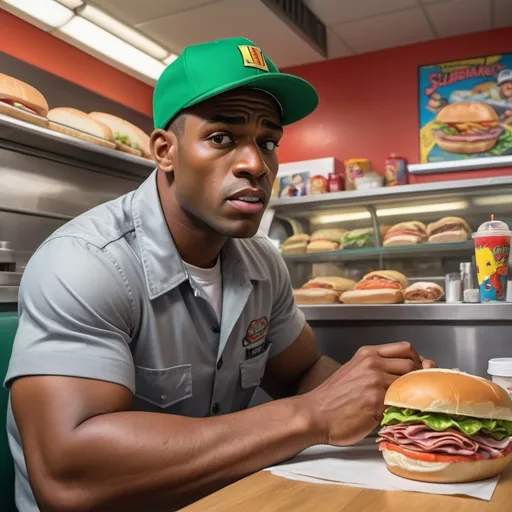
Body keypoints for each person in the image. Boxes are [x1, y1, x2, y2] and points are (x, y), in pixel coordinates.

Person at [5, 37, 436, 512]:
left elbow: (303, 372)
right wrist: (311, 416)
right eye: (222, 138)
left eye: (268, 142)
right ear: (165, 151)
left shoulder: (261, 262)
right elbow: (67, 475)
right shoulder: (84, 262)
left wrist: (388, 399)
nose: (256, 164)